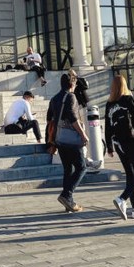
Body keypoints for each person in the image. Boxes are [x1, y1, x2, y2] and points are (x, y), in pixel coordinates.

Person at [105, 73, 134, 220]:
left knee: (129, 174)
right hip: (131, 141)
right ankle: (122, 199)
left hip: (118, 143)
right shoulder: (128, 99)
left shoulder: (110, 103)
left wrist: (109, 146)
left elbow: (107, 126)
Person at [46, 71, 89, 213]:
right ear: (72, 84)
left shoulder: (54, 98)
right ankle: (66, 195)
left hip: (59, 139)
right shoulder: (71, 96)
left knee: (68, 169)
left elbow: (49, 118)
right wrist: (83, 135)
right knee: (81, 167)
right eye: (75, 83)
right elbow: (72, 117)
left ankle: (68, 203)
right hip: (71, 139)